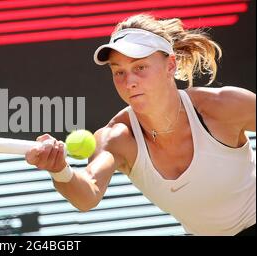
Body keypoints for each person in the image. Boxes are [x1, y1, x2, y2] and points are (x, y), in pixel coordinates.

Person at [25, 14, 256, 236]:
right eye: (119, 72)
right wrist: (60, 171)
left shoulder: (223, 106)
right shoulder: (116, 138)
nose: (129, 82)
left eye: (140, 67)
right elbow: (88, 195)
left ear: (170, 65)